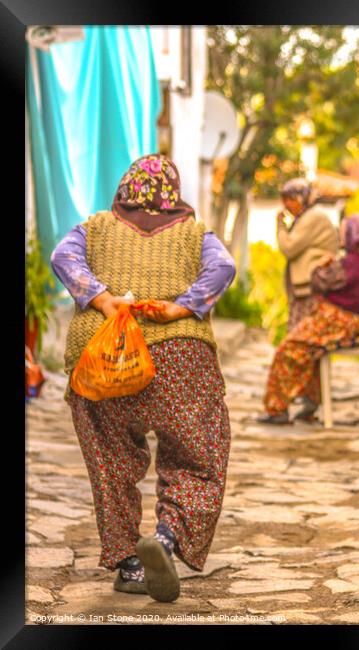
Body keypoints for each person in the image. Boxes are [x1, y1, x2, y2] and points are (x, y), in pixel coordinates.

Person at [51, 153, 236, 602]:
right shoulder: (196, 234)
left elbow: (63, 257)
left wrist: (102, 298)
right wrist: (183, 304)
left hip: (104, 360)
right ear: (173, 192)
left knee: (110, 460)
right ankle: (167, 540)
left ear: (124, 190)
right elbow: (223, 268)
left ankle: (129, 563)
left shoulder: (93, 228)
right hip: (180, 358)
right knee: (199, 455)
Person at [258, 214, 359, 424]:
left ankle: (276, 408)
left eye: (344, 232)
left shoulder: (351, 264)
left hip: (341, 323)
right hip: (356, 325)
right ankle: (310, 401)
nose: (341, 237)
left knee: (290, 348)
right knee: (309, 349)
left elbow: (318, 283)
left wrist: (322, 265)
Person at [277, 177, 338, 332]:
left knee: (302, 335)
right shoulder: (305, 217)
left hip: (311, 289)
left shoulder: (312, 217)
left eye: (289, 199)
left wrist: (280, 226)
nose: (285, 205)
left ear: (301, 199)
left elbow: (289, 248)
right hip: (307, 288)